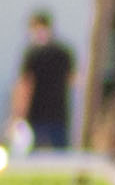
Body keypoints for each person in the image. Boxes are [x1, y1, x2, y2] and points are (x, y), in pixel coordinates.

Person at [4, 9, 76, 158]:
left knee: (32, 158)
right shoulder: (64, 52)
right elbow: (72, 80)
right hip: (59, 113)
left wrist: (17, 115)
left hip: (35, 116)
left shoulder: (31, 54)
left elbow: (25, 86)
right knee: (62, 158)